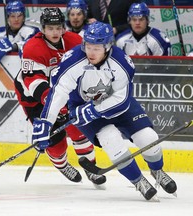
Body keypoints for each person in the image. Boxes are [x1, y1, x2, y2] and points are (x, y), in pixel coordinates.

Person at [31, 21, 177, 201]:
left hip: (116, 106)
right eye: (88, 46)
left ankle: (157, 171)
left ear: (107, 47)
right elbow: (59, 92)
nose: (90, 52)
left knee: (148, 138)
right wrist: (46, 121)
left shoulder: (122, 62)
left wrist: (94, 110)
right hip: (82, 108)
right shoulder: (73, 59)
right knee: (110, 139)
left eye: (96, 48)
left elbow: (121, 100)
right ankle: (138, 180)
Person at [12, 7, 106, 186]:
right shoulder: (33, 47)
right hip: (34, 98)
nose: (55, 32)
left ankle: (91, 169)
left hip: (63, 92)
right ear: (43, 29)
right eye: (50, 28)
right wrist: (55, 104)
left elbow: (88, 67)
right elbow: (34, 82)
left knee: (78, 129)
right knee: (55, 141)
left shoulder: (76, 41)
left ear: (63, 27)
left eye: (58, 28)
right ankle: (62, 164)